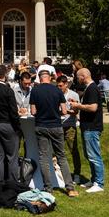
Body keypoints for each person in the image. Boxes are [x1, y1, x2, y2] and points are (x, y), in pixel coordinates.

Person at [30, 69, 78, 197]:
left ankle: (48, 188)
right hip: (56, 126)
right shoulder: (57, 90)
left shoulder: (35, 91)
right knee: (61, 156)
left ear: (39, 78)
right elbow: (63, 111)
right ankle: (70, 187)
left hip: (41, 126)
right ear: (50, 78)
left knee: (44, 158)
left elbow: (33, 111)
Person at [69, 68, 104, 193]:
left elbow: (93, 107)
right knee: (89, 155)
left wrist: (78, 106)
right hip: (87, 127)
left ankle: (99, 183)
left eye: (78, 77)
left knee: (94, 155)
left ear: (83, 76)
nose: (77, 79)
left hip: (92, 127)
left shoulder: (92, 88)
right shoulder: (89, 88)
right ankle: (94, 179)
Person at [57, 75, 82, 185]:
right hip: (58, 125)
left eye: (61, 86)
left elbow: (76, 112)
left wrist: (66, 111)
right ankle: (59, 175)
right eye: (57, 86)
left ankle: (77, 174)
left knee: (73, 150)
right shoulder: (56, 93)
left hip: (70, 125)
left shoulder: (73, 95)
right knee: (58, 151)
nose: (59, 88)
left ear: (66, 84)